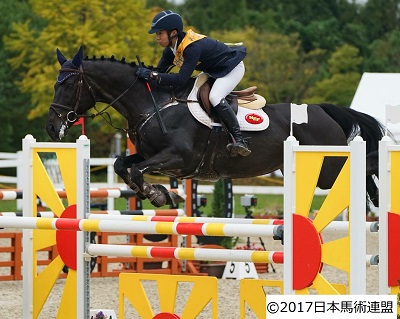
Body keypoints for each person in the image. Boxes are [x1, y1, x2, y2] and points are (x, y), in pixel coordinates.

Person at [136, 10, 251, 157]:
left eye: (160, 33)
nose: (157, 38)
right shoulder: (170, 50)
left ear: (173, 33)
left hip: (231, 68)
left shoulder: (191, 48)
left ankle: (239, 139)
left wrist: (152, 75)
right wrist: (144, 73)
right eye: (156, 34)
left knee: (215, 97)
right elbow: (159, 71)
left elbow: (179, 79)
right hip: (212, 70)